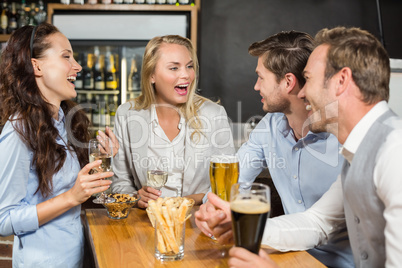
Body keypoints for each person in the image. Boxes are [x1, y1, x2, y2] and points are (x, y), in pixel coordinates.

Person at [198, 26, 402, 267]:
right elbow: (317, 222)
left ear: (341, 81)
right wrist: (239, 225)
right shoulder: (360, 150)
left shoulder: (394, 151)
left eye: (309, 79)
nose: (302, 92)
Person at [0, 23, 119, 267]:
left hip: (75, 258)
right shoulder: (18, 131)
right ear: (37, 66)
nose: (78, 66)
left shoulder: (62, 121)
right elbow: (4, 220)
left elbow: (69, 187)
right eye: (66, 56)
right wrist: (71, 197)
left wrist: (101, 163)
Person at [111, 35, 235, 209]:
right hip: (147, 225)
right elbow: (119, 183)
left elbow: (228, 184)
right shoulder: (127, 114)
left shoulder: (214, 115)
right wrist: (135, 197)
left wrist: (188, 200)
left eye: (189, 66)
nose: (186, 75)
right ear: (151, 75)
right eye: (174, 68)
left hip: (199, 222)